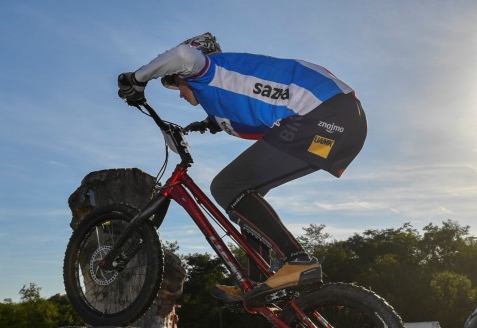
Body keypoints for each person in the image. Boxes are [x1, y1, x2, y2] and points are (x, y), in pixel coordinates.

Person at [118, 33, 367, 305]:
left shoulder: (209, 70)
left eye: (178, 83)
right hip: (338, 126)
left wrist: (137, 79)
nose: (179, 93)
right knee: (245, 199)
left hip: (324, 116)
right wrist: (207, 125)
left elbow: (183, 56)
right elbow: (251, 110)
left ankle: (297, 260)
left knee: (227, 186)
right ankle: (260, 279)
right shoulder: (227, 91)